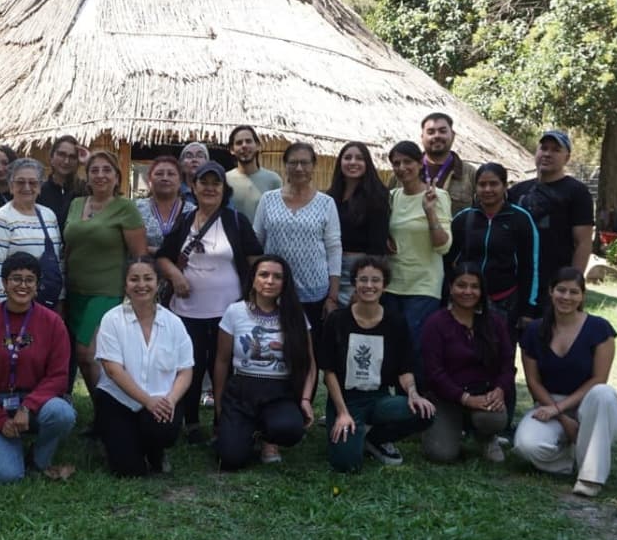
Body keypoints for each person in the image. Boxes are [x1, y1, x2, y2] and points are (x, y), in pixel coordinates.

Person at [157, 161, 263, 443]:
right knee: (190, 365)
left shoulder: (236, 221)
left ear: (223, 189)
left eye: (215, 183)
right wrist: (176, 276)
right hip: (187, 312)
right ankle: (191, 422)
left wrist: (253, 297)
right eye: (204, 182)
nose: (209, 188)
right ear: (193, 187)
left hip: (227, 313)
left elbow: (255, 260)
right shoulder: (185, 221)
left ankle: (222, 419)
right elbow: (163, 256)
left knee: (225, 366)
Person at [0, 252, 79, 482]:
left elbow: (58, 377)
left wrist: (27, 406)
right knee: (7, 476)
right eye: (16, 278)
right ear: (5, 283)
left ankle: (39, 458)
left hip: (36, 403)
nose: (22, 285)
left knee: (63, 413)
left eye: (30, 280)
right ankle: (4, 442)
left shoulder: (53, 323)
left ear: (37, 286)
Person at [512, 267, 617, 496]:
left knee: (604, 393)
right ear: (551, 292)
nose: (566, 297)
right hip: (548, 402)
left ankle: (590, 477)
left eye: (574, 292)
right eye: (561, 290)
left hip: (589, 402)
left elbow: (598, 379)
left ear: (582, 296)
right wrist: (560, 416)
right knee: (525, 446)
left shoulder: (599, 328)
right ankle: (570, 459)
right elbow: (532, 381)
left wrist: (559, 409)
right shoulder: (534, 330)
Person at [321, 257, 435, 472]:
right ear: (355, 283)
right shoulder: (337, 320)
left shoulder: (395, 322)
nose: (369, 285)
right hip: (347, 400)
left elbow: (404, 368)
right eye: (363, 279)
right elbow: (329, 372)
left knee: (424, 412)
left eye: (376, 280)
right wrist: (342, 412)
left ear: (385, 285)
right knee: (347, 465)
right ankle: (352, 432)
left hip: (379, 397)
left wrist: (412, 393)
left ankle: (374, 439)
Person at [92, 256, 194, 476]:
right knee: (129, 470)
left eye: (148, 278)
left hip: (162, 401)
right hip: (120, 401)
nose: (141, 285)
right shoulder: (112, 320)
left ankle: (155, 450)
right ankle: (115, 442)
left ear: (158, 283)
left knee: (162, 429)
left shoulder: (173, 323)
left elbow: (185, 370)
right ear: (125, 285)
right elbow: (113, 370)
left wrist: (171, 400)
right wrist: (147, 401)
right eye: (134, 279)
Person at [213, 255, 316, 470]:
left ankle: (270, 440)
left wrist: (305, 399)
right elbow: (222, 361)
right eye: (264, 274)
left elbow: (310, 364)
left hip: (279, 392)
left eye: (277, 277)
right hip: (242, 389)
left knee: (290, 429)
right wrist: (219, 404)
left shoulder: (296, 315)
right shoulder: (235, 312)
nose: (270, 281)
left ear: (284, 283)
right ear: (253, 279)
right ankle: (248, 432)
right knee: (231, 459)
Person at [63, 150, 148, 390]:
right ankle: (101, 414)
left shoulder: (125, 208)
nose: (100, 175)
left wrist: (136, 293)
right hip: (74, 291)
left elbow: (139, 256)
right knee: (82, 358)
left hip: (107, 292)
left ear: (117, 177)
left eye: (106, 170)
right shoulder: (76, 204)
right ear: (87, 177)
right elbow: (69, 245)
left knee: (87, 353)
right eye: (94, 170)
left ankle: (107, 413)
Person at [420, 264, 512, 463]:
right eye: (461, 285)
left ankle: (486, 437)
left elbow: (507, 364)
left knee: (494, 419)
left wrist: (500, 389)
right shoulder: (435, 323)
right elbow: (433, 372)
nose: (468, 291)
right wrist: (464, 398)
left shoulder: (494, 322)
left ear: (481, 290)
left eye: (474, 286)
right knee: (440, 454)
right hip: (446, 397)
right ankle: (447, 430)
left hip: (483, 394)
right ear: (451, 287)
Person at [253, 141, 341, 331]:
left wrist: (333, 296)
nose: (299, 168)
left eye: (305, 162)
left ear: (313, 166)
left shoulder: (326, 203)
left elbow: (334, 249)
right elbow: (256, 242)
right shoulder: (268, 199)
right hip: (274, 289)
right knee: (275, 345)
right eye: (293, 163)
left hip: (314, 291)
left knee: (310, 348)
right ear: (285, 166)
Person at [448, 163, 540, 326]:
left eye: (494, 184)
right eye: (482, 184)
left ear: (504, 186)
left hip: (504, 301)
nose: (487, 189)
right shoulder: (464, 218)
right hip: (466, 301)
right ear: (475, 187)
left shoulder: (520, 219)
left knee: (500, 350)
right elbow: (447, 260)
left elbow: (530, 266)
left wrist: (527, 309)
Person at [387, 140, 452, 363]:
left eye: (407, 162)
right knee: (393, 348)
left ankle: (418, 396)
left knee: (415, 348)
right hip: (392, 284)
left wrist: (430, 213)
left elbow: (444, 246)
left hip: (424, 286)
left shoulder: (437, 196)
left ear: (419, 163)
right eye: (396, 163)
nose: (402, 167)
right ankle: (397, 398)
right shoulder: (393, 196)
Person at [508, 128, 595, 281]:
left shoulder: (577, 192)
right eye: (544, 148)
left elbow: (583, 242)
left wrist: (573, 282)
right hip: (516, 279)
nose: (547, 154)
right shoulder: (516, 191)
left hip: (554, 280)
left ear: (566, 158)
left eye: (556, 150)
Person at [0, 158, 66, 310]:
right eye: (20, 182)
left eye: (33, 182)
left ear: (40, 187)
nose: (27, 187)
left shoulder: (48, 215)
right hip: (16, 303)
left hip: (48, 303)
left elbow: (59, 261)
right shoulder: (3, 217)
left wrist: (60, 299)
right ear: (11, 186)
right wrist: (3, 306)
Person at [328, 142, 391, 306]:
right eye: (347, 158)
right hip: (330, 267)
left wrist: (366, 278)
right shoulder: (330, 196)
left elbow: (378, 244)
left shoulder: (377, 196)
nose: (353, 162)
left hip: (359, 266)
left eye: (359, 158)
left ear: (367, 164)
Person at [419, 112, 479, 211]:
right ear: (422, 137)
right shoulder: (405, 173)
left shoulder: (470, 174)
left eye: (442, 131)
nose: (437, 136)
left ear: (453, 135)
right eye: (430, 132)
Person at [134, 154, 193, 253]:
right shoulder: (136, 208)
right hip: (142, 265)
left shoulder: (192, 212)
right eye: (159, 174)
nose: (165, 178)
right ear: (149, 180)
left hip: (183, 267)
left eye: (171, 174)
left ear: (180, 181)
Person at [225, 124, 281, 222]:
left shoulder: (273, 180)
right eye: (239, 143)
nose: (244, 145)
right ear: (232, 150)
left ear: (258, 146)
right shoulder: (225, 180)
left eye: (248, 141)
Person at [39, 135, 85, 223]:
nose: (66, 161)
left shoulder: (85, 190)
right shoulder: (39, 191)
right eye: (61, 154)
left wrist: (88, 161)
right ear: (51, 157)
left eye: (72, 157)